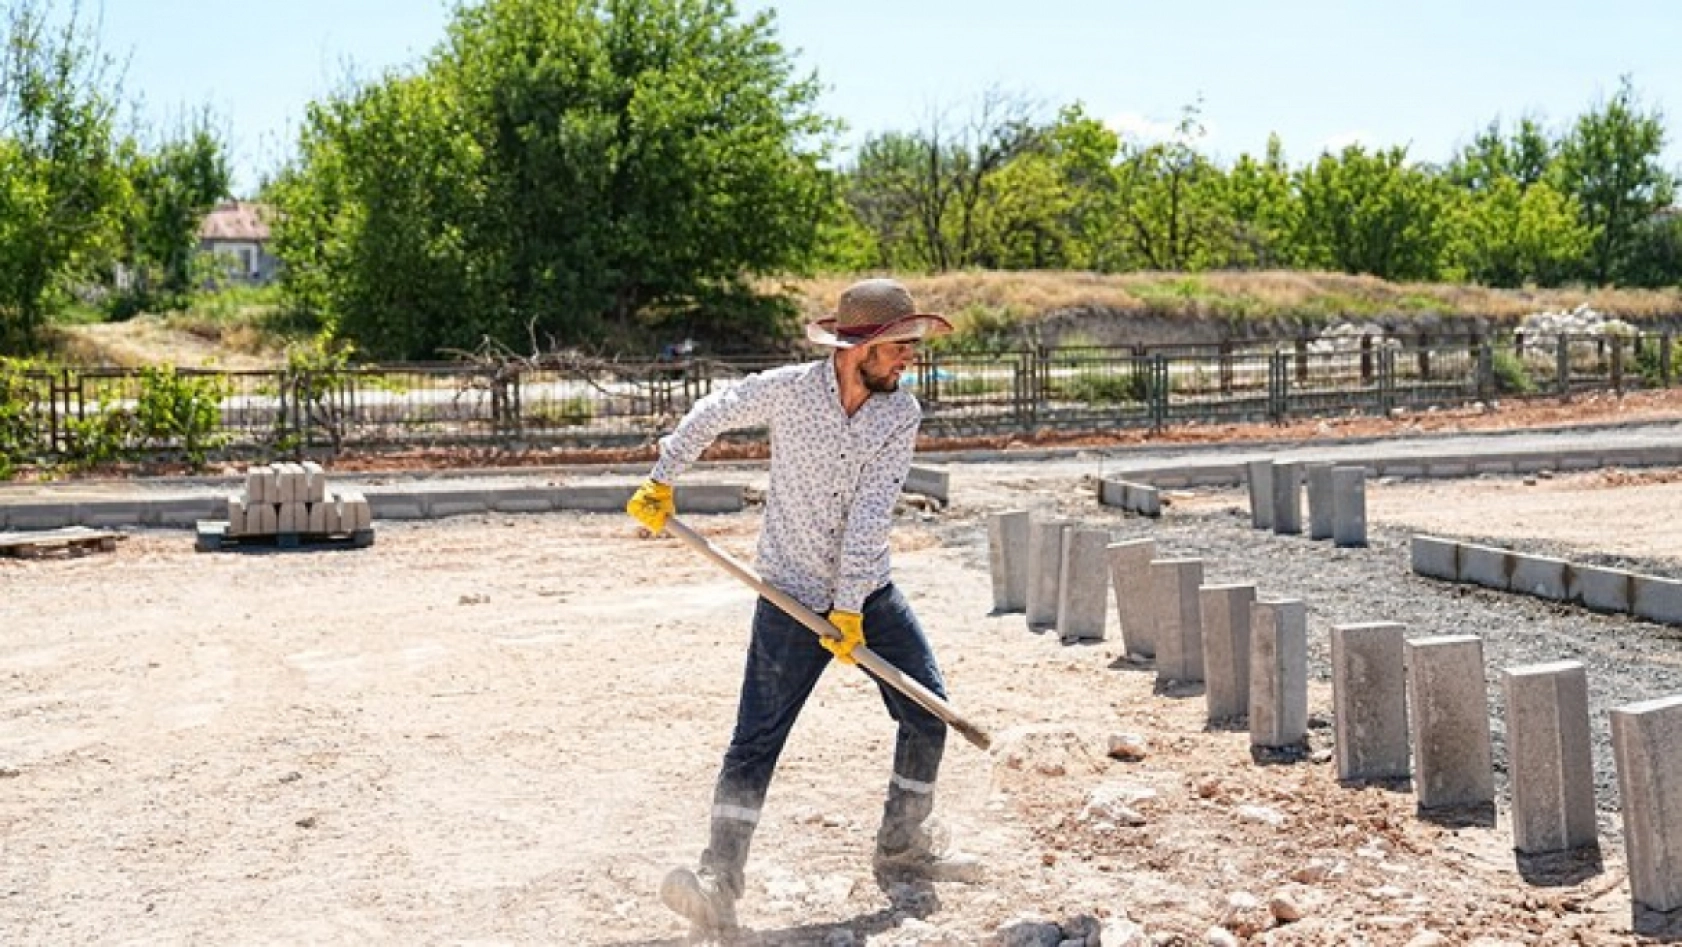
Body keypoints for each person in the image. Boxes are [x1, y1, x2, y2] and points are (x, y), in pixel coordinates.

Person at [625, 278, 982, 935]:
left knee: (927, 713)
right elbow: (716, 408)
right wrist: (663, 477)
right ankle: (717, 882)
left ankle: (903, 844)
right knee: (755, 740)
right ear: (858, 348)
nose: (910, 358)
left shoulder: (899, 414)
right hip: (787, 594)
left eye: (912, 346)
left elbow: (869, 518)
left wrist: (851, 609)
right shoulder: (790, 390)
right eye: (900, 345)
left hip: (868, 593)